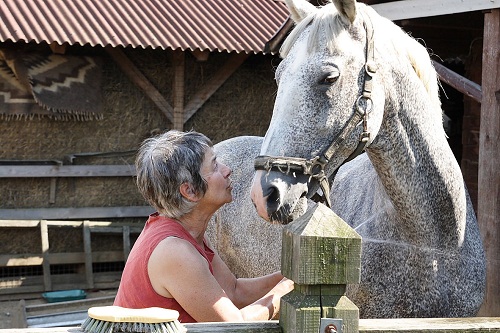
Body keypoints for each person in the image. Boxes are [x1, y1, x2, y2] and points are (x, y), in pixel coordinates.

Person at [114, 130, 293, 323]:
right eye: (215, 166)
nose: (227, 170)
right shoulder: (175, 251)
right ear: (189, 191)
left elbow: (234, 291)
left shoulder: (188, 234)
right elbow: (233, 326)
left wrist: (292, 275)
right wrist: (287, 290)